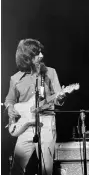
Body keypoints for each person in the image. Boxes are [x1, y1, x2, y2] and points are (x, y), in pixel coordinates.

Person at [5, 38, 62, 175]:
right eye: (37, 54)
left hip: (46, 123)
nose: (41, 56)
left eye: (41, 52)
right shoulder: (15, 79)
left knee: (46, 169)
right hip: (24, 128)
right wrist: (10, 108)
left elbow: (58, 99)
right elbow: (10, 99)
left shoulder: (50, 73)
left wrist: (61, 97)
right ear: (27, 58)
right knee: (16, 169)